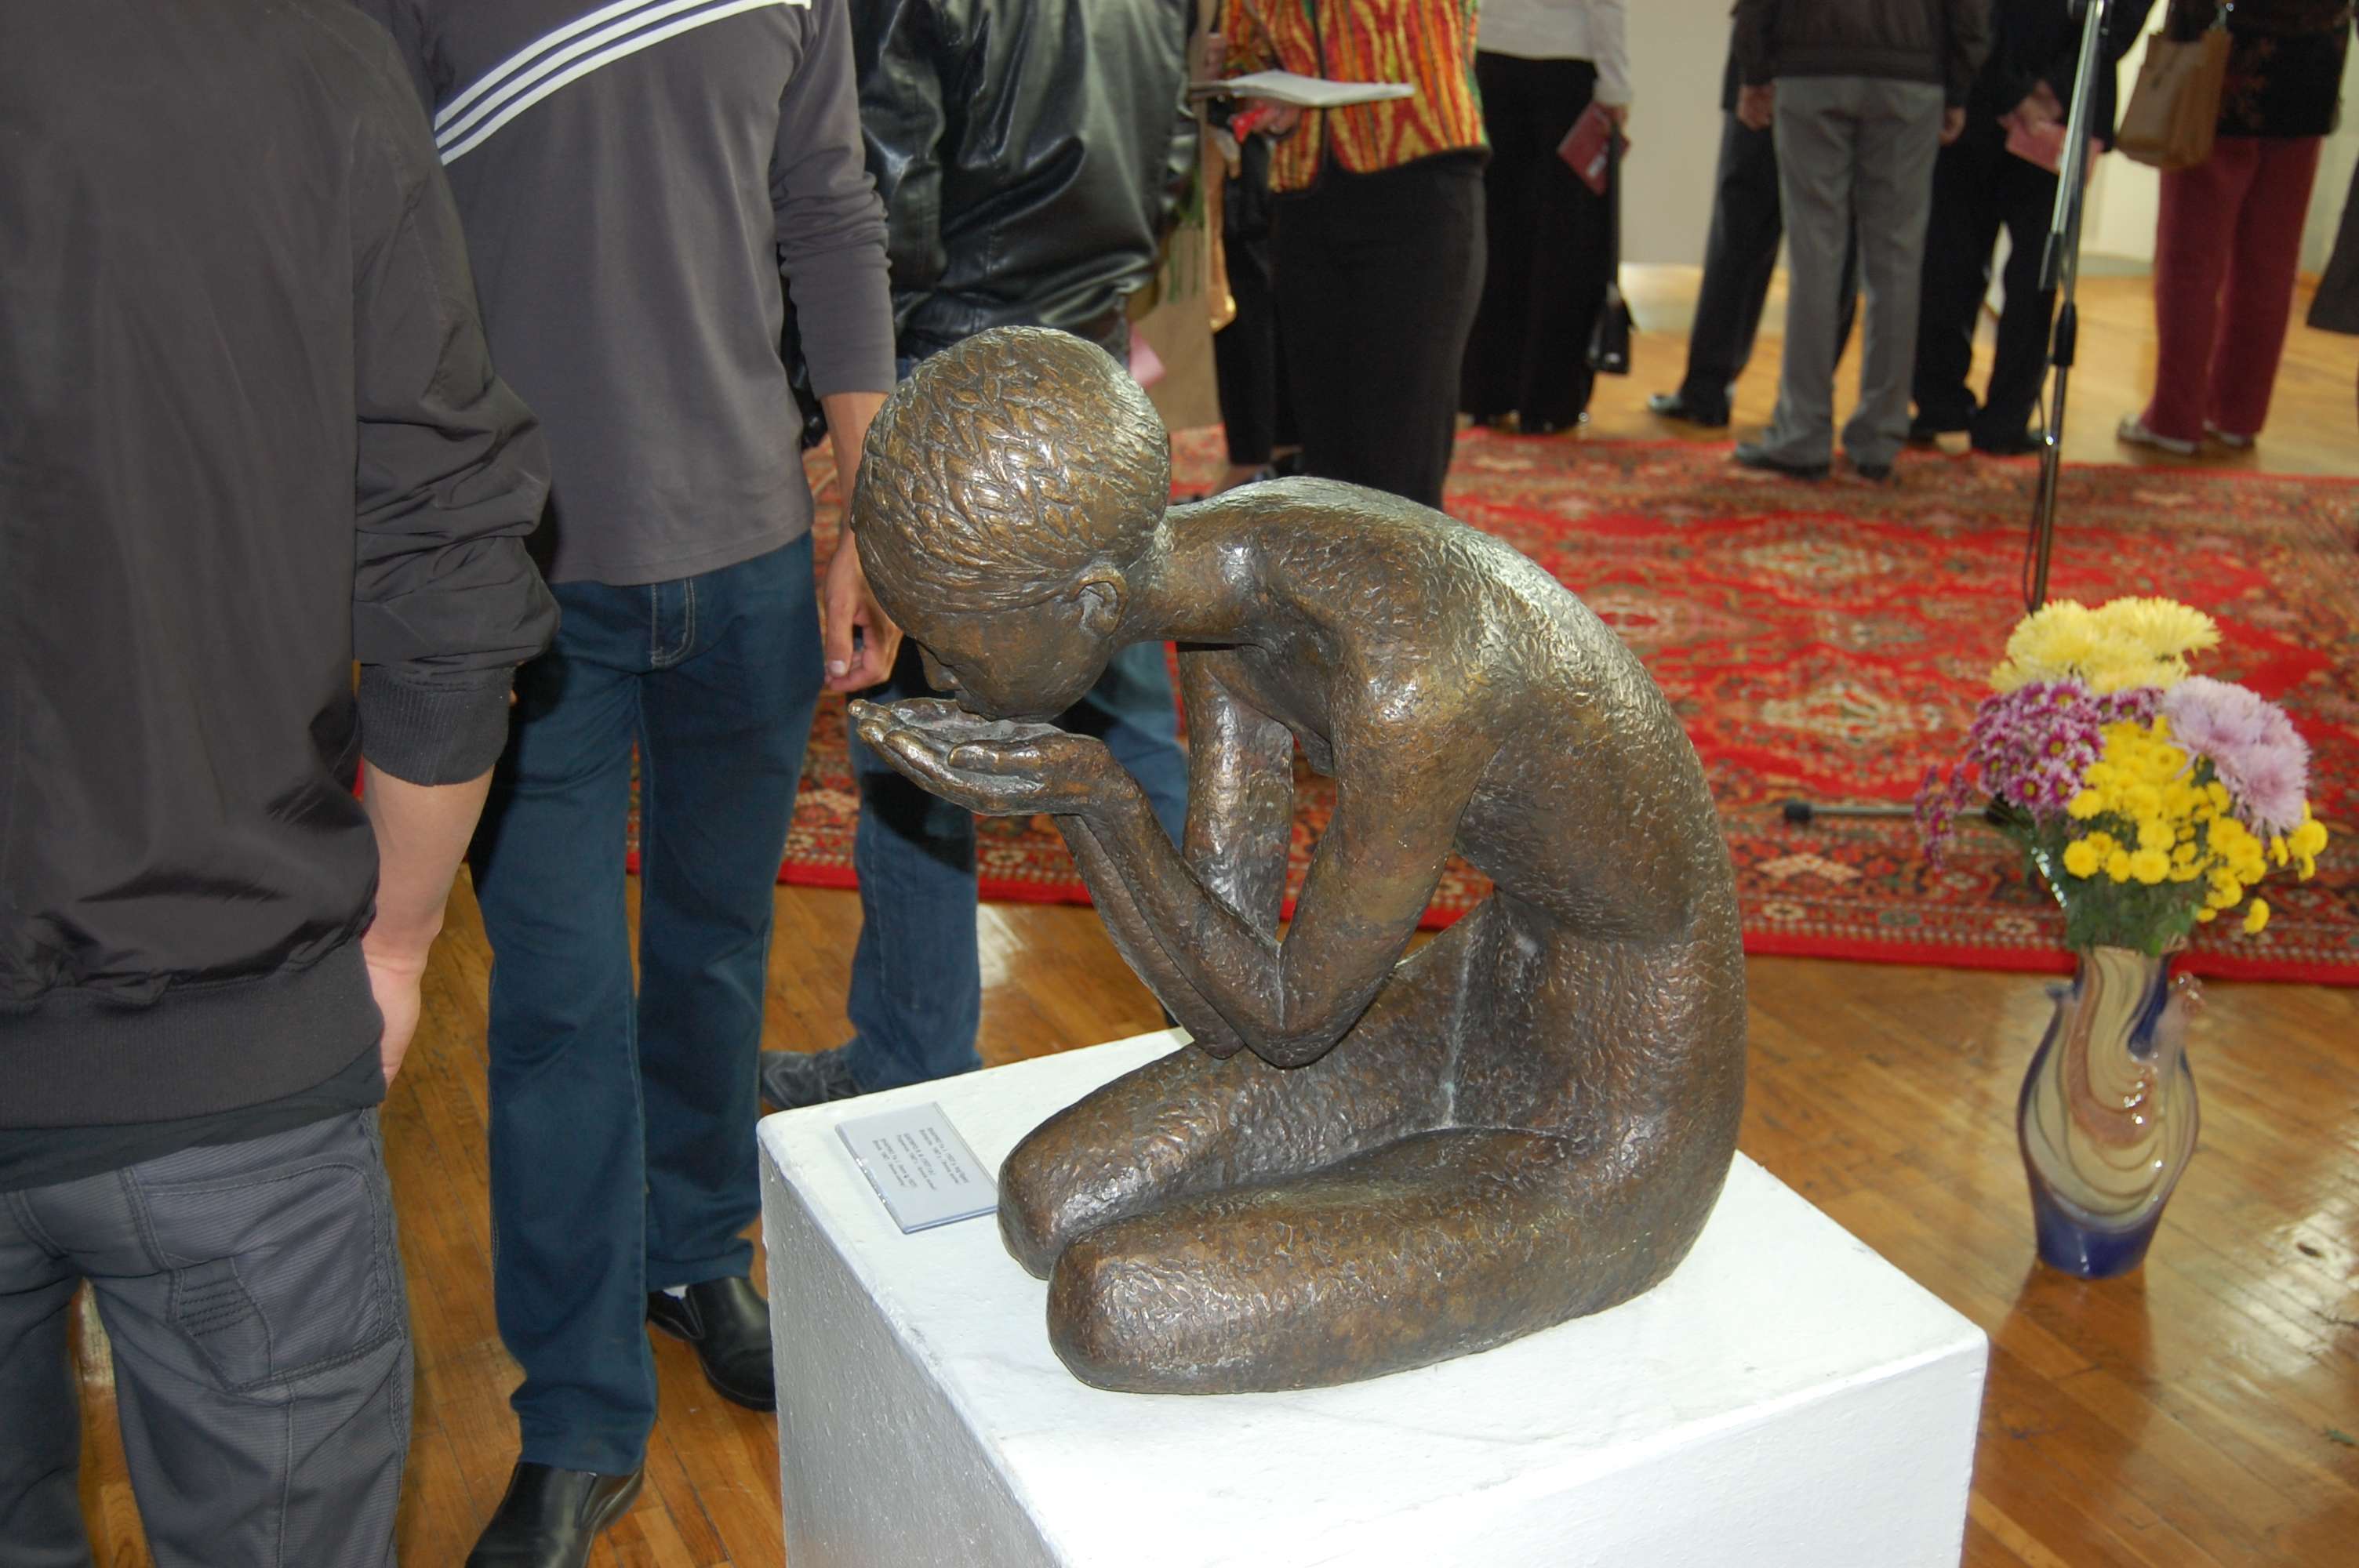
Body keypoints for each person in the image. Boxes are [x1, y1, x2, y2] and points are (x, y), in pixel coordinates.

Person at [847, 328, 1745, 1394]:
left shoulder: (1406, 679)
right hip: (1486, 981)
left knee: (1114, 1305)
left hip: (1627, 1092)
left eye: (950, 645)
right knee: (1042, 1198)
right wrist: (1089, 807)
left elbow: (1288, 1021)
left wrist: (1096, 800)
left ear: (1089, 604)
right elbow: (1222, 1010)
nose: (933, 676)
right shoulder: (1226, 600)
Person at [0, 2, 557, 1563]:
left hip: (225, 1041)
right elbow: (449, 558)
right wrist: (400, 936)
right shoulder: (309, 53)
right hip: (233, 1043)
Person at [352, 2, 899, 1561]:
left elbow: (828, 210)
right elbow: (358, 229)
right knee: (558, 1001)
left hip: (749, 556)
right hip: (519, 578)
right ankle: (580, 1414)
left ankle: (694, 1251)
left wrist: (870, 512)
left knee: (718, 947)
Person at [755, 0, 1197, 1109]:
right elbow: (1173, 158)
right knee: (1129, 706)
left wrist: (831, 406)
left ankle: (912, 1055)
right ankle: (1233, 1028)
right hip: (1090, 366)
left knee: (913, 735)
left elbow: (882, 208)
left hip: (955, 389)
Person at [1223, 0, 1489, 510]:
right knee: (1329, 462)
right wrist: (1257, 96)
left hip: (1422, 168)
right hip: (1305, 191)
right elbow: (1245, 42)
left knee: (1402, 451)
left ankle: (1409, 565)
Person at [1732, 0, 1992, 482]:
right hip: (1911, 73)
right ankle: (1879, 438)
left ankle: (1802, 433)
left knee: (1814, 255)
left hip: (1812, 66)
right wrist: (1958, 85)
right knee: (1896, 261)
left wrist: (1754, 69)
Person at [1912, 0, 2150, 456]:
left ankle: (1961, 408)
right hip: (2004, 98)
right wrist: (2033, 91)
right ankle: (1969, 410)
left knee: (2019, 271)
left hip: (2015, 100)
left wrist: (2033, 90)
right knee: (1962, 261)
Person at [2120, 0, 2355, 456]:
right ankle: (2238, 415)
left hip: (2221, 62)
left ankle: (2174, 418)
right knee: (2272, 261)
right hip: (2314, 67)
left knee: (2190, 257)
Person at [1649, 29, 1859, 430]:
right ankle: (1807, 402)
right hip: (1853, 79)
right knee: (1835, 244)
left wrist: (1753, 70)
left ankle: (1708, 391)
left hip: (1776, 69)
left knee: (1742, 233)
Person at [1459, 0, 1632, 435]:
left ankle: (1486, 392)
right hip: (1565, 66)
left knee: (1496, 232)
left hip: (1492, 58)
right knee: (1565, 241)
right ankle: (1548, 403)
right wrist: (1616, 87)